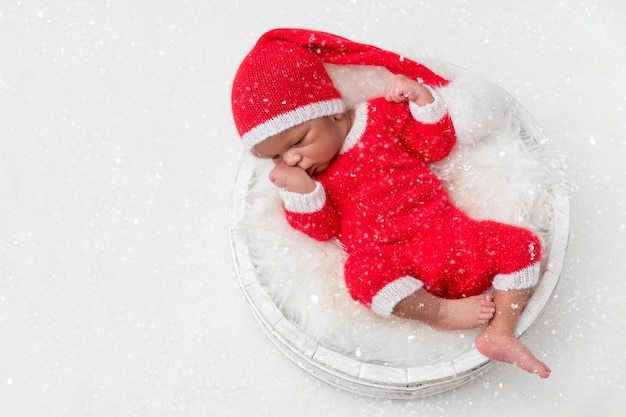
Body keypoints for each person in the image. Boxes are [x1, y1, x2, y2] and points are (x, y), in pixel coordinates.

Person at [231, 28, 551, 378]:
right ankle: (438, 312)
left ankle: (501, 332)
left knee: (523, 247)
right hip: (389, 257)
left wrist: (423, 100)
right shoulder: (310, 181)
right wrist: (301, 193)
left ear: (334, 113)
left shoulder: (380, 116)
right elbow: (323, 231)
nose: (291, 159)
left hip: (448, 233)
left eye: (298, 142)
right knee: (360, 276)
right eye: (276, 156)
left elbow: (436, 147)